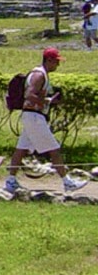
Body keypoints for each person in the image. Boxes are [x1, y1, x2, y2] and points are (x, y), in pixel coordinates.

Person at [5, 48, 88, 194]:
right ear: (49, 60)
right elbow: (29, 94)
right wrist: (44, 103)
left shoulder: (39, 73)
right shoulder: (39, 75)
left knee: (21, 149)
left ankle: (10, 181)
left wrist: (48, 101)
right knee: (54, 149)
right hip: (35, 117)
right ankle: (67, 182)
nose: (58, 65)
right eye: (56, 61)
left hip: (31, 116)